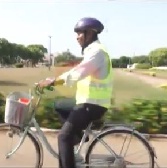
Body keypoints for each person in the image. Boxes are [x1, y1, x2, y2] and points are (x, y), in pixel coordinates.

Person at [38, 17, 113, 168]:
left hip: (93, 105)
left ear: (90, 34)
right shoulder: (92, 50)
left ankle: (72, 140)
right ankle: (78, 135)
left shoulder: (97, 52)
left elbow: (79, 72)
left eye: (80, 33)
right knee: (59, 104)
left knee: (63, 138)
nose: (77, 37)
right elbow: (78, 70)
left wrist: (55, 81)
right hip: (86, 101)